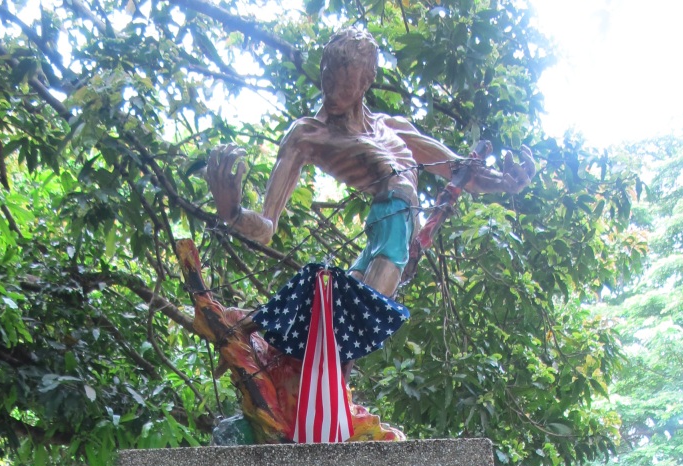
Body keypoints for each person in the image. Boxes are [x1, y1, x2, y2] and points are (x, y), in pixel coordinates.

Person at [206, 25, 536, 301]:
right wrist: (233, 213)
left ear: (366, 81)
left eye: (344, 84)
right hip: (389, 220)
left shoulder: (392, 127)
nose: (332, 92)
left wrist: (505, 181)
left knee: (345, 312)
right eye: (328, 79)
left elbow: (464, 173)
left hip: (397, 229)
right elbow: (266, 227)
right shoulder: (308, 135)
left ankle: (275, 345)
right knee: (362, 314)